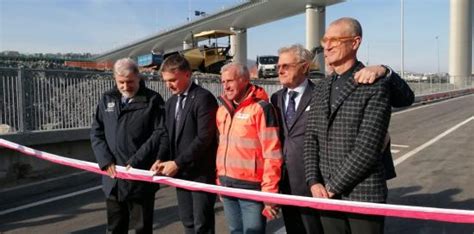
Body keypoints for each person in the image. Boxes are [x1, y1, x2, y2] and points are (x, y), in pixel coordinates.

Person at [271, 43, 414, 234]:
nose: (280, 71)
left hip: (323, 184)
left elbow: (363, 141)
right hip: (290, 182)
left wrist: (384, 70)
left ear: (304, 67)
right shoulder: (275, 99)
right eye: (278, 67)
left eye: (285, 66)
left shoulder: (318, 93)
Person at [303, 17, 404, 234]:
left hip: (362, 193)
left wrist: (332, 186)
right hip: (325, 194)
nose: (326, 46)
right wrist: (313, 181)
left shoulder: (373, 85)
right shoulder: (321, 88)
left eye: (334, 40)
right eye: (324, 40)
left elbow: (367, 148)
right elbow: (311, 137)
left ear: (355, 42)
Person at [91, 58, 169, 234]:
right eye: (121, 83)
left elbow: (159, 133)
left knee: (142, 228)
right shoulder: (107, 99)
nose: (126, 87)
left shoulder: (152, 101)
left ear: (138, 78)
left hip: (140, 177)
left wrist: (136, 160)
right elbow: (97, 132)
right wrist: (105, 160)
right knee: (115, 228)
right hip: (113, 179)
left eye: (130, 82)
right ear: (115, 80)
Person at [150, 54, 218, 234]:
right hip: (181, 174)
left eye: (172, 80)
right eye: (166, 81)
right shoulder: (171, 102)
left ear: (187, 75)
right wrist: (160, 158)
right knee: (187, 221)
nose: (168, 85)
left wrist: (177, 162)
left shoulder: (204, 98)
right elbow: (166, 134)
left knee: (202, 224)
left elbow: (204, 138)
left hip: (200, 173)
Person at [216, 62, 282, 234]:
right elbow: (221, 147)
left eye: (230, 81)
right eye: (223, 82)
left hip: (251, 188)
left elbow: (273, 153)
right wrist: (219, 180)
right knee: (235, 231)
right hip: (226, 184)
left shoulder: (262, 109)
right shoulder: (222, 110)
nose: (226, 86)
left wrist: (269, 192)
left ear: (244, 80)